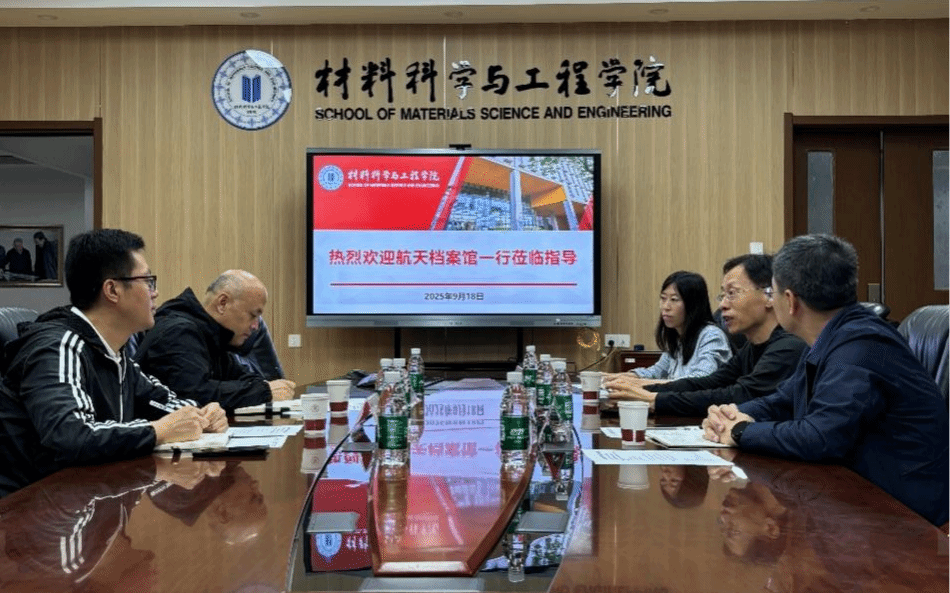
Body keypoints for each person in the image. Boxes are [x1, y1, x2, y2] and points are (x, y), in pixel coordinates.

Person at [702, 234, 950, 526]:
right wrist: (732, 415)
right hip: (858, 497)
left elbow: (819, 438)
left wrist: (741, 431)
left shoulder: (859, 347)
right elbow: (784, 399)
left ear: (790, 301)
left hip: (902, 513)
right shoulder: (832, 337)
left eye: (772, 292)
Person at [0, 229, 227, 498]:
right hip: (32, 509)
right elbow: (71, 435)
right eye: (148, 281)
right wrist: (158, 430)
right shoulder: (58, 346)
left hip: (85, 497)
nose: (155, 292)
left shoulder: (116, 355)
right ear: (112, 290)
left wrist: (202, 416)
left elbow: (162, 402)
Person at [606, 254, 807, 417]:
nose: (723, 305)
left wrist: (653, 399)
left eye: (732, 293)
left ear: (770, 295)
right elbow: (710, 382)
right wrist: (640, 389)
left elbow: (738, 395)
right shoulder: (751, 347)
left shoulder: (789, 346)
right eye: (723, 295)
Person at [134, 270, 295, 411]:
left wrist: (263, 387)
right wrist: (264, 391)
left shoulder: (213, 335)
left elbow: (242, 377)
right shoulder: (178, 333)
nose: (256, 326)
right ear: (222, 303)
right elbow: (194, 395)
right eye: (253, 315)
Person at [604, 271, 731, 383]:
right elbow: (657, 372)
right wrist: (615, 378)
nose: (665, 306)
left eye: (674, 300)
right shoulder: (678, 337)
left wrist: (639, 385)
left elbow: (700, 379)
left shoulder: (712, 336)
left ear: (693, 305)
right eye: (663, 298)